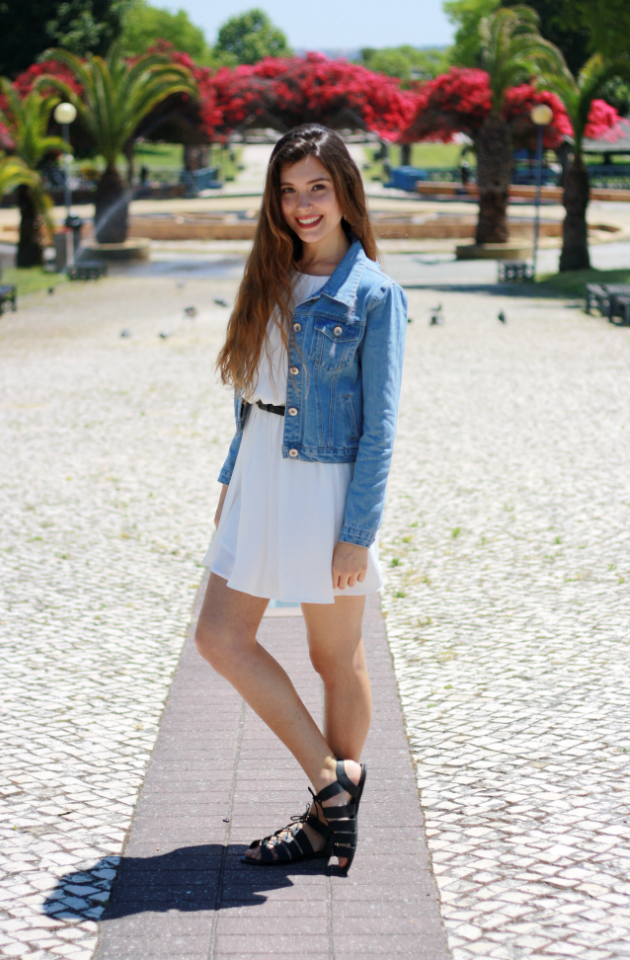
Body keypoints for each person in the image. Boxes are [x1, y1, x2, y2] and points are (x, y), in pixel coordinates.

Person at [195, 124, 407, 873]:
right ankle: (331, 779)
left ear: (345, 191)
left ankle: (324, 822)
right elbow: (250, 395)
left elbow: (380, 427)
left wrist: (358, 532)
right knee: (219, 637)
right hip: (261, 470)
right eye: (288, 191)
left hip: (326, 483)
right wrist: (231, 478)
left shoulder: (374, 293)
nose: (303, 205)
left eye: (318, 187)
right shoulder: (270, 274)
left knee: (334, 655)